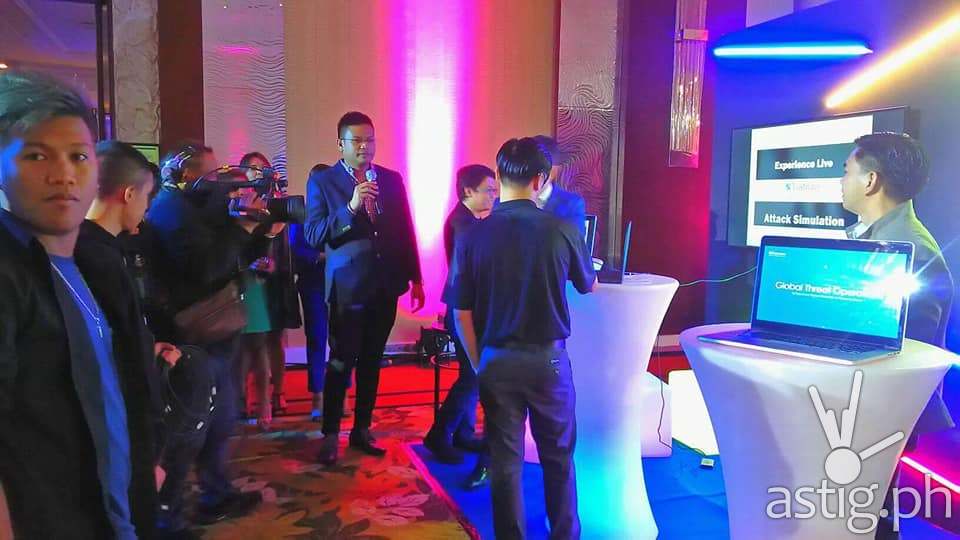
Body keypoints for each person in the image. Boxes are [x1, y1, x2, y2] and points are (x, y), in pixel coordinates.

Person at [0, 71, 158, 539]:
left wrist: (143, 464)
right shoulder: (9, 271)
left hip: (113, 511)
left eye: (78, 156)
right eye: (36, 155)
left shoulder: (92, 260)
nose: (63, 174)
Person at [450, 137, 597, 539]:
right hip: (549, 362)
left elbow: (461, 311)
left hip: (496, 360)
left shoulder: (472, 234)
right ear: (540, 179)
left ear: (498, 175)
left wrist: (479, 361)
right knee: (558, 459)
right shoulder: (562, 229)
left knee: (505, 462)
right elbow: (588, 285)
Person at [146, 141, 275, 536]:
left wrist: (264, 232)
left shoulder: (193, 206)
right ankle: (167, 518)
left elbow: (235, 258)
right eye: (212, 172)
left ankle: (215, 494)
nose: (220, 180)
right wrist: (242, 228)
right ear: (187, 173)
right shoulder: (171, 210)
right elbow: (207, 268)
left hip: (217, 327)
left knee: (221, 419)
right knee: (191, 429)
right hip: (194, 333)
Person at [840, 132, 955, 539]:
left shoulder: (910, 250)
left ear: (870, 181)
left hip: (883, 410)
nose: (841, 181)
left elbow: (908, 353)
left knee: (869, 517)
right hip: (861, 403)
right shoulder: (878, 237)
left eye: (846, 171)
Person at [305, 111, 425, 465]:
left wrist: (416, 277)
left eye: (369, 140)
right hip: (347, 288)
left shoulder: (390, 179)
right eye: (356, 141)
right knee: (341, 361)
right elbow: (314, 235)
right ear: (340, 144)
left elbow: (404, 229)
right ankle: (330, 433)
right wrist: (351, 207)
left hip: (385, 285)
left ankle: (361, 429)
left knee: (373, 360)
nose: (364, 147)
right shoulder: (323, 181)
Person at [83, 139, 182, 455]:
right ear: (129, 194)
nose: (147, 207)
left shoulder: (89, 246)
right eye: (146, 195)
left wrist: (147, 348)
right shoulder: (99, 257)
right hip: (119, 419)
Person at [424, 165, 497, 469]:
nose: (494, 196)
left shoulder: (467, 220)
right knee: (472, 376)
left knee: (471, 375)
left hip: (465, 306)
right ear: (468, 191)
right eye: (489, 190)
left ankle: (463, 433)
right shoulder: (464, 224)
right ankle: (439, 435)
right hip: (463, 309)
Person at [233, 151, 301, 429]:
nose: (258, 173)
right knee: (249, 345)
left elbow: (287, 244)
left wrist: (277, 265)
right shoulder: (239, 202)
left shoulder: (278, 203)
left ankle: (276, 394)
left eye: (263, 168)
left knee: (274, 340)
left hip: (275, 279)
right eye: (252, 168)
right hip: (247, 280)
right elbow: (236, 243)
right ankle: (243, 400)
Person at [290, 163, 332, 421]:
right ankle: (317, 395)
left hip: (339, 284)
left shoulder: (341, 209)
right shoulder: (300, 213)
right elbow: (295, 248)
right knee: (317, 338)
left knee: (342, 340)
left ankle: (341, 393)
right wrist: (320, 256)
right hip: (313, 283)